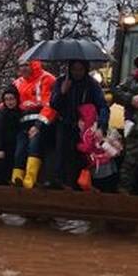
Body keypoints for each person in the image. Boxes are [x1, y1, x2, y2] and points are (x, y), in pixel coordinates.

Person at [50, 60, 110, 188]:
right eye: (74, 69)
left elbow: (103, 106)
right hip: (64, 123)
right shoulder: (61, 82)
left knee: (79, 157)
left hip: (84, 127)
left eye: (80, 69)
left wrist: (101, 126)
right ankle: (58, 181)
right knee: (61, 153)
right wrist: (62, 92)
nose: (77, 72)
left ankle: (77, 185)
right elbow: (53, 104)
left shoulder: (92, 85)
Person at [11, 59, 57, 188]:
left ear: (33, 65)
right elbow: (8, 100)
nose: (23, 68)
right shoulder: (17, 83)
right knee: (19, 150)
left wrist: (38, 125)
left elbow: (50, 105)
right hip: (23, 123)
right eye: (21, 66)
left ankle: (30, 180)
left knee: (34, 146)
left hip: (41, 123)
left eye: (26, 65)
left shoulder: (47, 79)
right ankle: (16, 179)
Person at [75, 103, 123, 191]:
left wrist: (78, 146)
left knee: (102, 187)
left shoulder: (90, 132)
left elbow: (87, 148)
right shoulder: (94, 129)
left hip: (101, 167)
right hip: (102, 164)